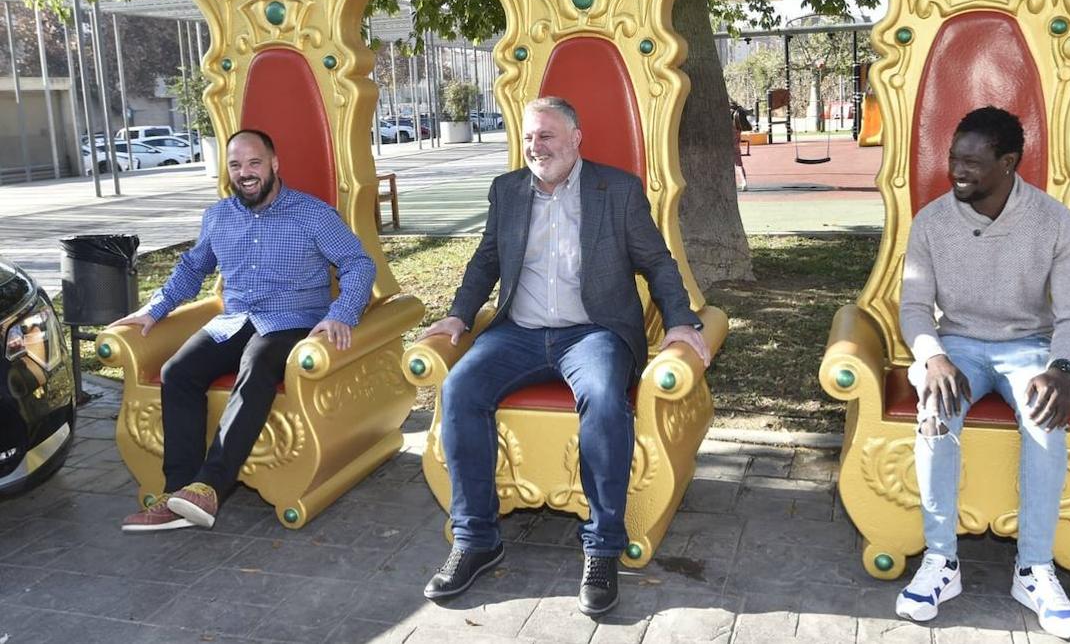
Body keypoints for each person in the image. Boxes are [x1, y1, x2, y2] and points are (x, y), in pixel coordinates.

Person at [418, 96, 709, 617]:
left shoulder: (616, 189)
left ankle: (600, 548)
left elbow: (656, 261)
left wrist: (682, 321)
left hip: (592, 333)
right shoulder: (507, 191)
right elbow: (486, 259)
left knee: (602, 395)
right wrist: (459, 315)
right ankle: (477, 538)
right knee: (459, 389)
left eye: (547, 136)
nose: (536, 147)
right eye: (529, 137)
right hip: (519, 332)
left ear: (577, 137)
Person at [111, 129, 376, 533]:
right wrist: (155, 309)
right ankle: (177, 492)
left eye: (254, 163)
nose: (245, 173)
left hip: (294, 320)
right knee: (177, 372)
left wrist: (342, 312)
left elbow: (358, 263)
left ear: (274, 164)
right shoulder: (218, 216)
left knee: (258, 360)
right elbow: (192, 268)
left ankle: (209, 486)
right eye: (236, 165)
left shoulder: (313, 214)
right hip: (234, 320)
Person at [895, 106, 1070, 640]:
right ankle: (942, 562)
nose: (956, 170)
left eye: (972, 162)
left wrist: (1061, 368)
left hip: (1028, 345)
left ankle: (1034, 569)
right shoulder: (932, 221)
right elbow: (913, 307)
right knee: (935, 411)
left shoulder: (1054, 221)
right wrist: (932, 354)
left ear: (1008, 163)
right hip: (956, 343)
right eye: (953, 158)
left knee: (1045, 415)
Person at [730, 99, 751, 191]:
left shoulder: (728, 117)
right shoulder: (738, 118)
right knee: (738, 164)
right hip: (736, 142)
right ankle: (744, 182)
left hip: (727, 143)